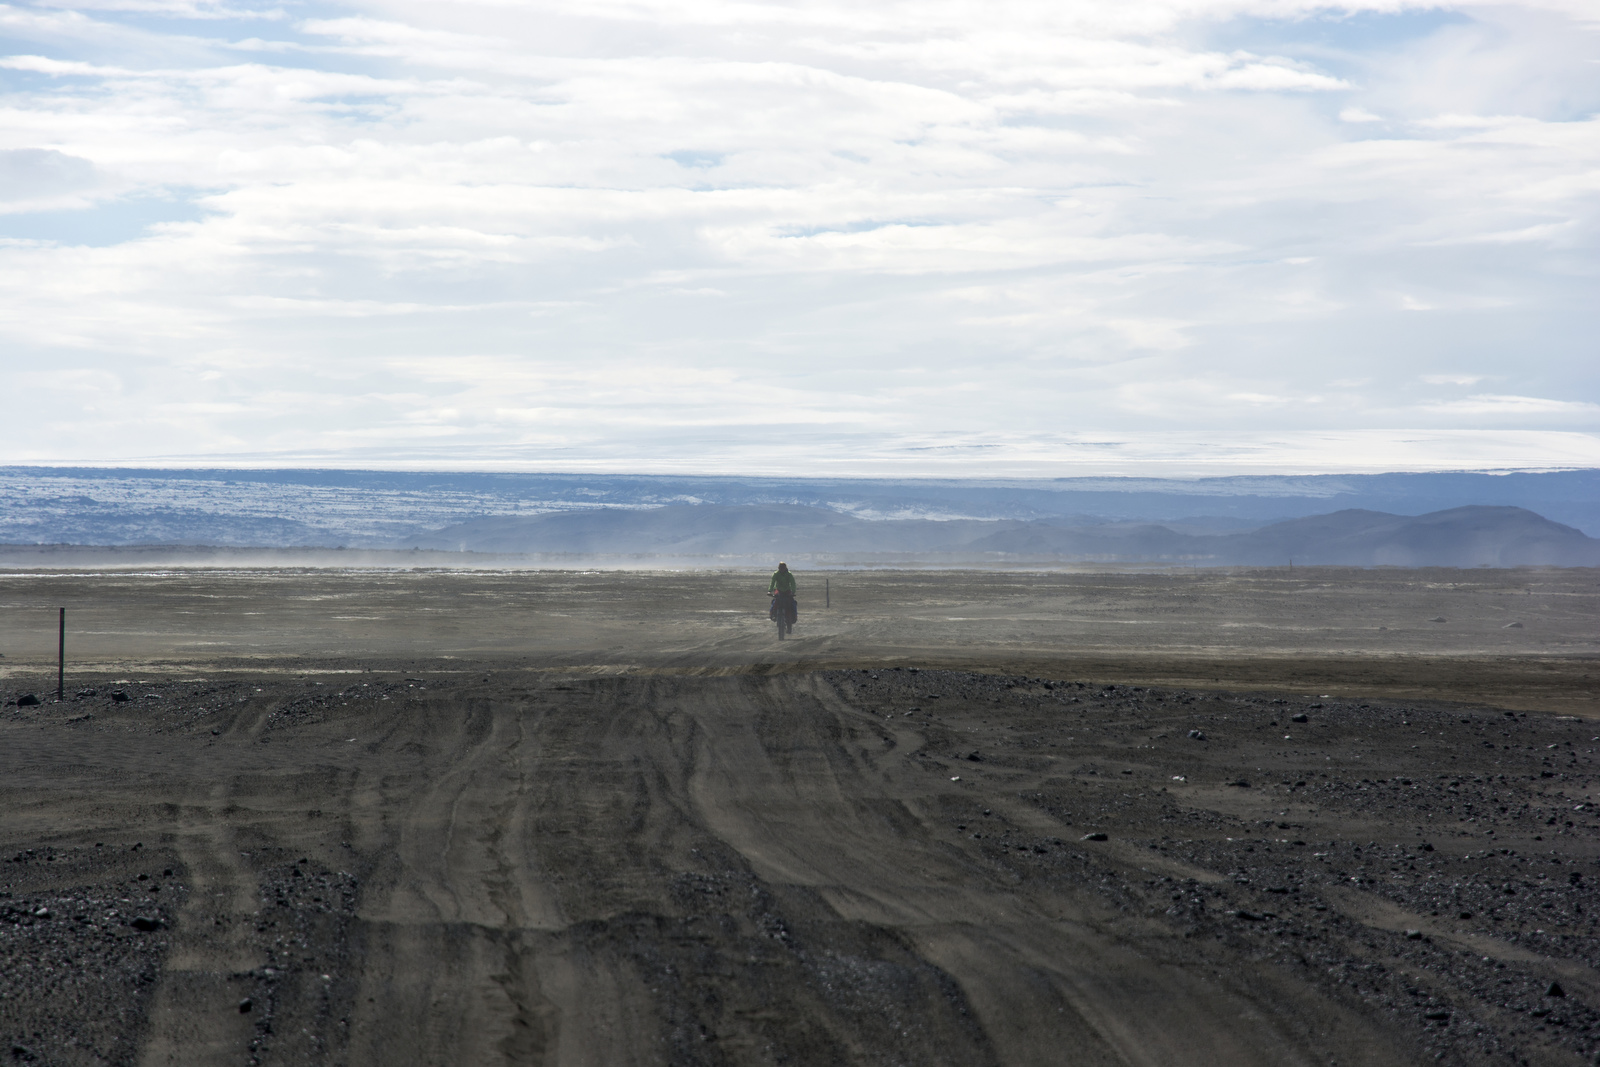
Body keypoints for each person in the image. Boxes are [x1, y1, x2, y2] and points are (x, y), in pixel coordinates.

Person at [768, 562, 798, 626]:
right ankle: (772, 614)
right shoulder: (776, 574)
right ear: (778, 568)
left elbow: (793, 583)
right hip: (778, 590)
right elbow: (772, 582)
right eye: (780, 567)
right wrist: (769, 591)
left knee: (792, 602)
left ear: (785, 568)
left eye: (783, 567)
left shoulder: (789, 574)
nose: (782, 569)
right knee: (775, 600)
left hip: (787, 590)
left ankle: (794, 616)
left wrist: (793, 591)